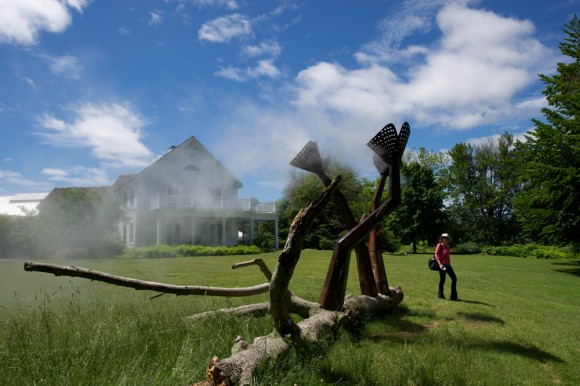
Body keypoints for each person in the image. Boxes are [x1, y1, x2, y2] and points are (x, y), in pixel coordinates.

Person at [434, 233, 459, 301]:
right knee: (443, 280)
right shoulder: (439, 245)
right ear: (441, 239)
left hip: (448, 265)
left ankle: (453, 296)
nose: (446, 239)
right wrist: (440, 264)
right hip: (442, 265)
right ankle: (440, 295)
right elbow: (436, 255)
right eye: (444, 238)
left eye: (447, 238)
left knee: (454, 279)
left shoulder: (448, 246)